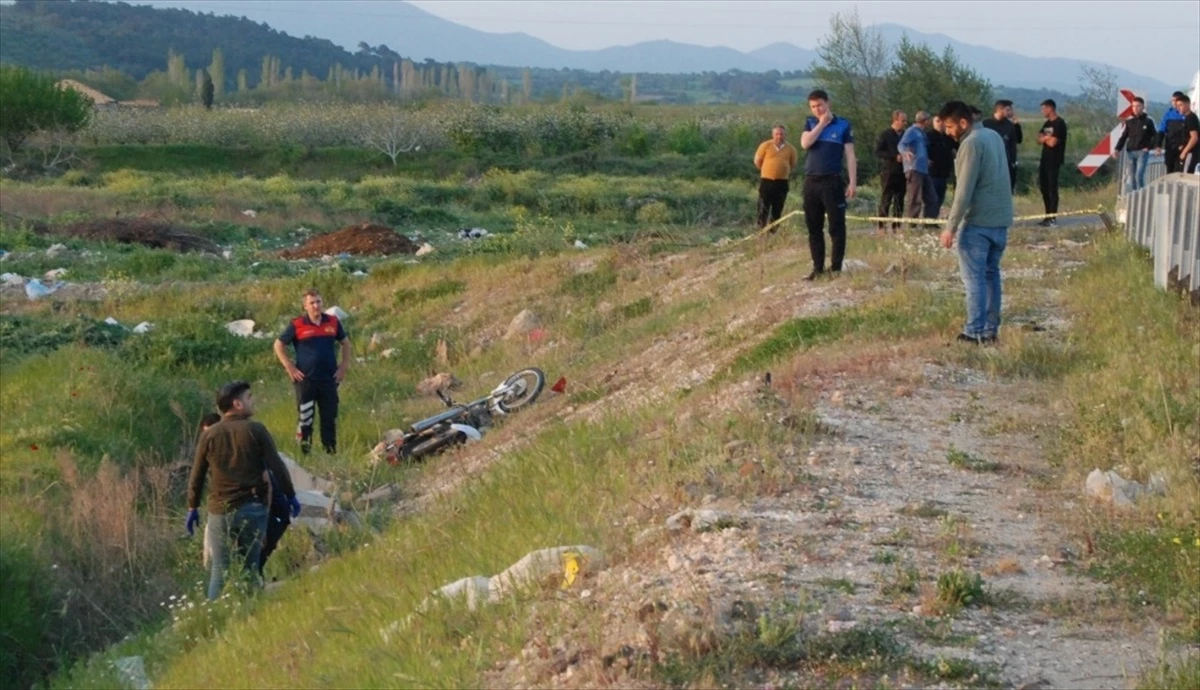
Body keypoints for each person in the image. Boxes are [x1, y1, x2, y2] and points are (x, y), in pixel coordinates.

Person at [187, 380, 300, 600]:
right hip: (252, 507)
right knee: (250, 566)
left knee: (219, 570)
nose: (253, 400)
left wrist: (192, 507)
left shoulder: (208, 435)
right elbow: (276, 466)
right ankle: (251, 613)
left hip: (219, 510)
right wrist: (291, 495)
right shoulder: (255, 430)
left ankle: (214, 617)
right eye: (249, 397)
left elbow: (197, 475)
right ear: (237, 404)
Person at [937, 100, 1014, 345]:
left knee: (974, 279)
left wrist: (950, 227)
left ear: (963, 122)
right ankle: (991, 331)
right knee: (992, 276)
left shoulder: (971, 143)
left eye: (949, 127)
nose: (948, 132)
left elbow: (964, 190)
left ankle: (973, 331)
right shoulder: (993, 136)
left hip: (979, 222)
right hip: (1000, 220)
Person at [274, 288, 351, 455]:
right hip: (305, 380)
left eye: (319, 302)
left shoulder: (332, 321)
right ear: (305, 306)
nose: (316, 306)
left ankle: (330, 453)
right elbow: (278, 345)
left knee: (329, 419)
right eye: (312, 303)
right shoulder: (297, 324)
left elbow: (346, 343)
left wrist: (343, 366)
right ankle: (304, 453)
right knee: (305, 419)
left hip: (329, 379)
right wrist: (289, 367)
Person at [799, 89, 857, 281]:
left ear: (828, 103)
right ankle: (818, 268)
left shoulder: (843, 125)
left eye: (820, 105)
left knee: (836, 226)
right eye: (813, 106)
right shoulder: (810, 122)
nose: (817, 109)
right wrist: (822, 123)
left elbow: (850, 155)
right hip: (811, 181)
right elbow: (805, 143)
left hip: (832, 181)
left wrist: (852, 182)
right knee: (814, 227)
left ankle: (836, 267)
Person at [753, 124, 799, 230]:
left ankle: (773, 231)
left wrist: (783, 170)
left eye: (781, 134)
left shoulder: (791, 149)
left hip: (782, 182)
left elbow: (793, 164)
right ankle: (760, 230)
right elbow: (757, 161)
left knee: (777, 208)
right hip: (767, 181)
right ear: (773, 135)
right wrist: (767, 170)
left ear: (785, 135)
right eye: (777, 134)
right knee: (763, 207)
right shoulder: (765, 145)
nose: (779, 136)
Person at [897, 110, 939, 222]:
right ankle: (912, 224)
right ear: (925, 121)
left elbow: (921, 149)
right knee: (915, 198)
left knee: (932, 198)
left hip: (923, 168)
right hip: (913, 168)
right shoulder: (912, 131)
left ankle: (930, 222)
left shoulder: (922, 133)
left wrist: (926, 159)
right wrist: (905, 152)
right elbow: (901, 144)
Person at [1113, 96, 1158, 192]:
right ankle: (1134, 194)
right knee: (1132, 176)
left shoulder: (1148, 121)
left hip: (1142, 151)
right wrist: (1117, 149)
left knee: (1139, 174)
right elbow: (1124, 136)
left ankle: (1142, 193)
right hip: (1131, 151)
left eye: (1138, 106)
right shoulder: (1129, 121)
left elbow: (1156, 136)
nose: (1135, 108)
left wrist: (1150, 147)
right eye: (1133, 106)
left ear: (1143, 107)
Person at [874, 110, 907, 232]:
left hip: (903, 171)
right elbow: (878, 151)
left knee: (900, 199)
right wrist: (894, 156)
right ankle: (881, 226)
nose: (905, 123)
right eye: (903, 120)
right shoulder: (885, 135)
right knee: (886, 198)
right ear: (895, 120)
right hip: (889, 171)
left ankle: (897, 226)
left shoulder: (906, 135)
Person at [1036, 99, 1067, 227]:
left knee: (1052, 189)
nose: (1042, 111)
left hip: (1054, 160)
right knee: (1044, 188)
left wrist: (1046, 138)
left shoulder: (1060, 123)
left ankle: (1053, 217)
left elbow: (1053, 143)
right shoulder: (1047, 123)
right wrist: (1046, 138)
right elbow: (1038, 138)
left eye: (1044, 109)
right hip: (1044, 159)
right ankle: (1047, 215)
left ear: (1050, 108)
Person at [981, 100, 1023, 193]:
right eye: (1008, 110)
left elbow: (1018, 140)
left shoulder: (1010, 125)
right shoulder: (986, 124)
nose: (1010, 112)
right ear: (1000, 110)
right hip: (989, 163)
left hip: (1006, 163)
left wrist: (1017, 125)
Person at [927, 115, 956, 215]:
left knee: (940, 197)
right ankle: (929, 220)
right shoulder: (928, 136)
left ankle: (934, 219)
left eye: (942, 121)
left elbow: (955, 148)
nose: (940, 123)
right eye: (937, 121)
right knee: (932, 197)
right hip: (932, 172)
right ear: (933, 123)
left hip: (944, 172)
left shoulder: (948, 137)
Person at [1156, 91, 1187, 174]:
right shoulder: (1168, 115)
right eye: (1172, 100)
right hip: (1170, 148)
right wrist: (1158, 146)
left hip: (1184, 149)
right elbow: (1161, 131)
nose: (1173, 103)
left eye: (1175, 100)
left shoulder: (1188, 115)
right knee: (1170, 171)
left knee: (1180, 172)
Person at [1174, 94, 1199, 174]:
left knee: (1185, 175)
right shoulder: (1187, 118)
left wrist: (1184, 152)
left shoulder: (1191, 118)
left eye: (1180, 105)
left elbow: (1194, 137)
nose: (1178, 108)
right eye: (1177, 106)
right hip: (1188, 152)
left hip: (1191, 153)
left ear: (1188, 104)